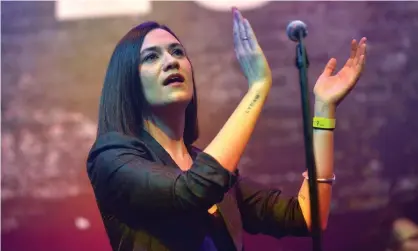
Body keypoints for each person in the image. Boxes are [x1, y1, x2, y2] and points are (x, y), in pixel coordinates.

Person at [87, 7, 367, 251]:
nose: (171, 61)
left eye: (177, 52)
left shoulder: (214, 172)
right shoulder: (112, 157)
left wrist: (324, 110)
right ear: (128, 82)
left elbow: (307, 217)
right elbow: (192, 190)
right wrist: (257, 88)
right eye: (151, 57)